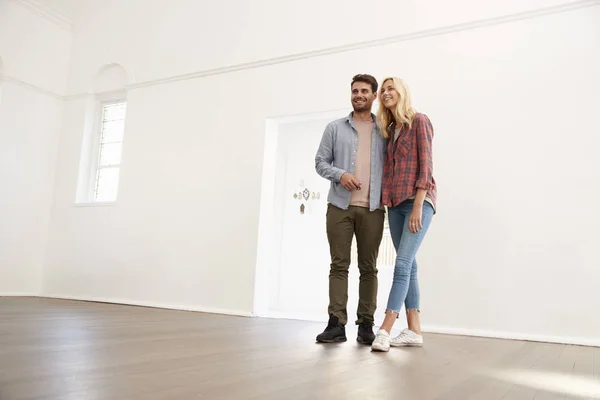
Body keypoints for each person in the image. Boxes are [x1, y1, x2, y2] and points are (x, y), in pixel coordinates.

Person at [314, 74, 387, 345]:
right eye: (355, 91)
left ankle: (366, 324)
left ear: (374, 96)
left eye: (364, 91)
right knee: (339, 265)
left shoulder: (385, 130)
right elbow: (320, 162)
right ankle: (336, 324)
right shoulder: (335, 128)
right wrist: (340, 174)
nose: (359, 95)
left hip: (373, 208)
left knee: (369, 267)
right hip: (340, 207)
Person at [370, 77, 437, 352]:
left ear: (402, 92)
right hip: (395, 205)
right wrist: (386, 204)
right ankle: (414, 330)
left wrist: (419, 205)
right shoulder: (390, 131)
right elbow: (389, 172)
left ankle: (385, 328)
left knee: (402, 264)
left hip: (417, 201)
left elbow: (426, 166)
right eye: (383, 90)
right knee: (410, 266)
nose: (386, 93)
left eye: (390, 88)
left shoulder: (419, 121)